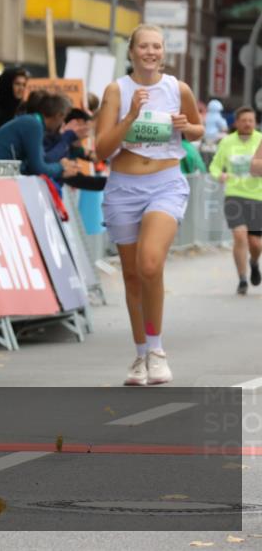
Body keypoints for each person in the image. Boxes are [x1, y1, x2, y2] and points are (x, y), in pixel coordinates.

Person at [94, 23, 203, 386]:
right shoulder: (117, 90)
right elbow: (102, 149)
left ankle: (157, 351)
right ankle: (141, 355)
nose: (151, 52)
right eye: (144, 46)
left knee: (150, 264)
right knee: (131, 276)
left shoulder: (177, 88)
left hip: (165, 184)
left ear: (163, 52)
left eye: (157, 46)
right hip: (124, 187)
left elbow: (197, 130)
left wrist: (186, 126)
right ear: (132, 51)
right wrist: (130, 117)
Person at [209, 106, 262, 294]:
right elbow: (214, 166)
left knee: (256, 243)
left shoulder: (260, 140)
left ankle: (254, 262)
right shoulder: (227, 142)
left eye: (251, 120)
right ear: (236, 123)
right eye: (244, 120)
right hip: (234, 195)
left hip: (258, 196)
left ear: (255, 122)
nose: (248, 123)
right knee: (239, 237)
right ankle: (242, 279)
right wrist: (220, 175)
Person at [0, 91, 80, 181]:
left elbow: (34, 165)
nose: (62, 123)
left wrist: (60, 168)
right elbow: (38, 168)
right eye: (64, 118)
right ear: (59, 115)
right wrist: (61, 167)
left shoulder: (33, 122)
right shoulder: (34, 125)